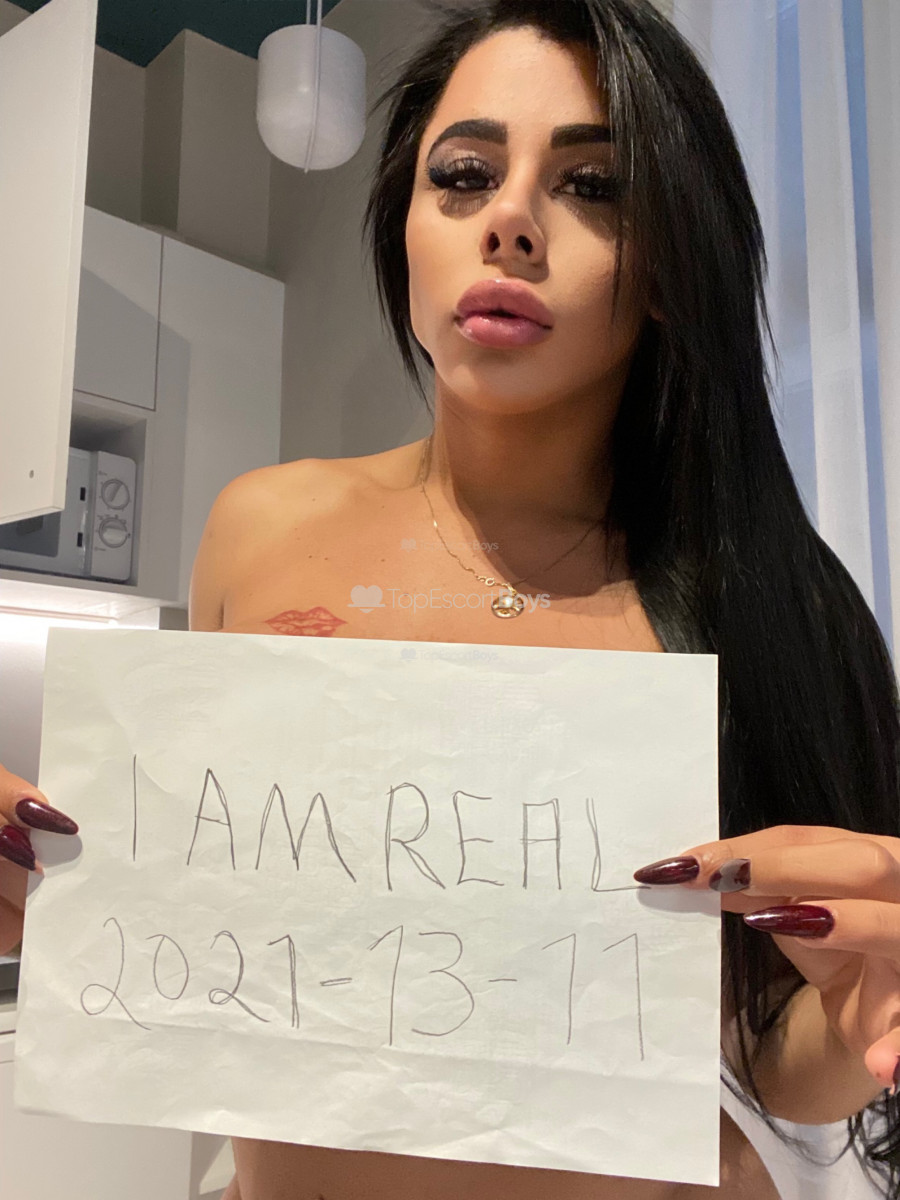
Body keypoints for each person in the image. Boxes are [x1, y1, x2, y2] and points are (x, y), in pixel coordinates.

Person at [1, 0, 899, 1195]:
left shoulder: (772, 603)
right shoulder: (261, 531)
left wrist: (860, 1022)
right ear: (407, 231)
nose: (510, 221)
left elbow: (773, 1057)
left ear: (670, 267)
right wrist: (51, 888)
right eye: (464, 175)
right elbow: (200, 921)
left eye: (594, 187)